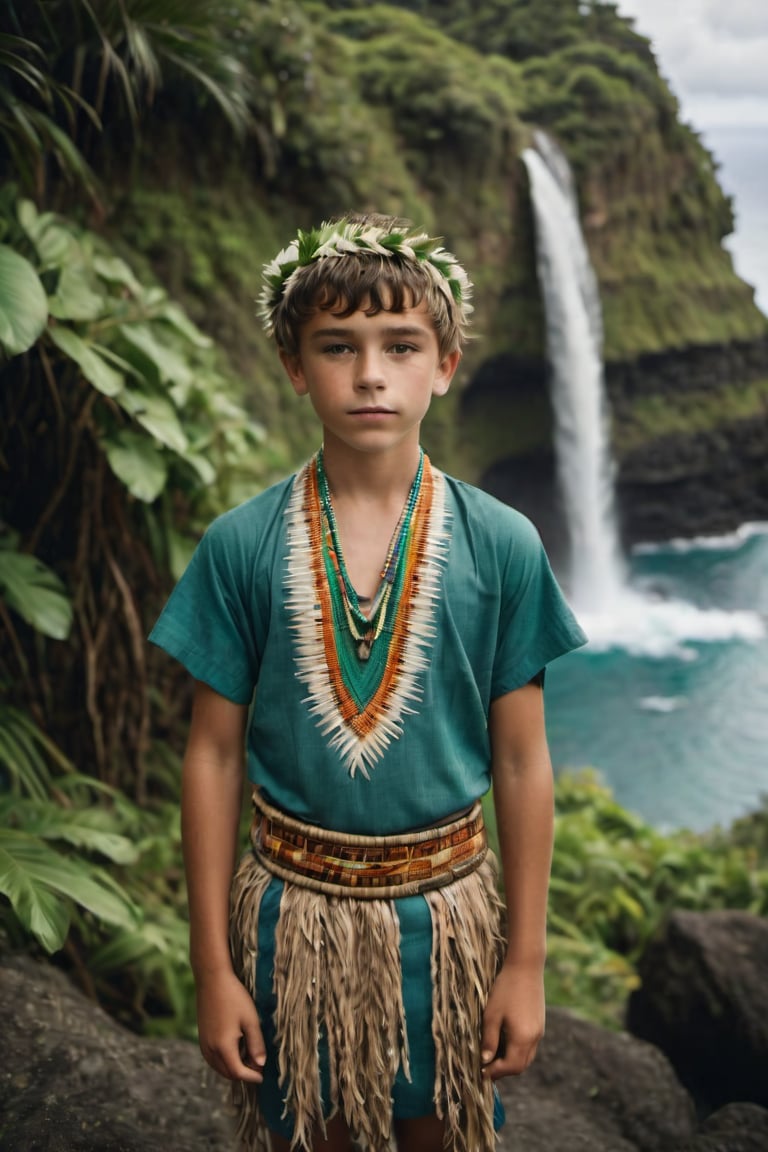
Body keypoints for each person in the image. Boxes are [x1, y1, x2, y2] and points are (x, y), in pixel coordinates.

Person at [149, 212, 587, 1152]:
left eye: (401, 346)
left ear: (447, 362)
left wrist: (526, 962)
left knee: (439, 1135)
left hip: (451, 923)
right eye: (337, 348)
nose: (371, 375)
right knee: (309, 1135)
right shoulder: (241, 546)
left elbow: (521, 760)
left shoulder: (502, 543)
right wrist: (213, 968)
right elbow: (214, 756)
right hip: (286, 924)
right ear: (294, 366)